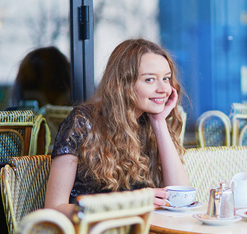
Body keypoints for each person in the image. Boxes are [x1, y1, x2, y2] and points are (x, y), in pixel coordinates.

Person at [45, 38, 190, 218]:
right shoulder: (82, 122)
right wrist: (129, 203)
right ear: (123, 84)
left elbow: (181, 199)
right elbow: (54, 208)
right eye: (150, 79)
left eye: (166, 78)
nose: (164, 88)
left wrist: (159, 122)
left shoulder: (150, 124)